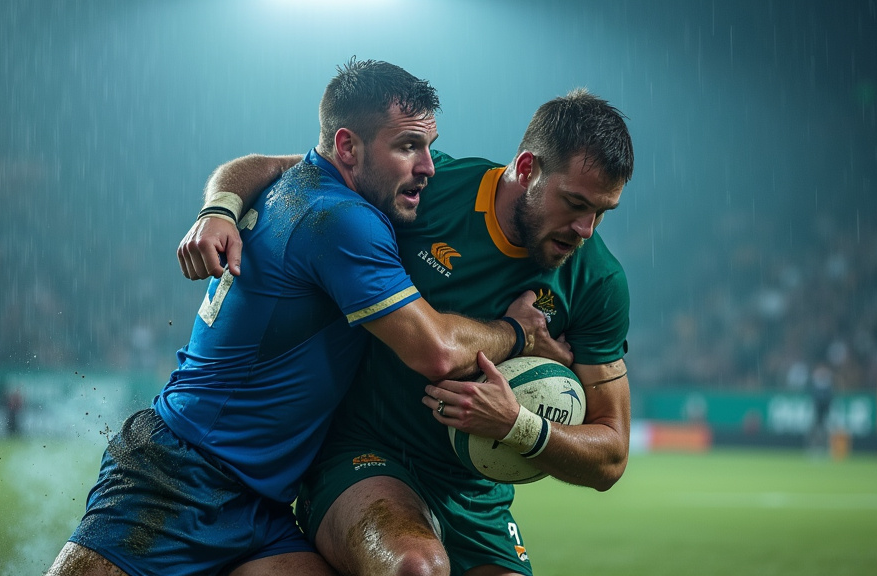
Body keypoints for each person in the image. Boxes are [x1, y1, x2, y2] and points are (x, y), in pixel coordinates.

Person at [48, 59, 567, 576]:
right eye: (408, 146)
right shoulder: (342, 220)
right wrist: (518, 331)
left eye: (428, 145)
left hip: (258, 503)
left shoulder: (304, 183)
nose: (428, 166)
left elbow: (256, 162)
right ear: (347, 147)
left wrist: (219, 207)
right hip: (181, 475)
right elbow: (436, 352)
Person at [178, 88, 634, 576]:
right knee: (416, 569)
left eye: (602, 212)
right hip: (364, 454)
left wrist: (517, 425)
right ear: (526, 169)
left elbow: (610, 456)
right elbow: (283, 171)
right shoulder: (433, 186)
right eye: (575, 203)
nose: (586, 229)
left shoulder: (597, 281)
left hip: (476, 495)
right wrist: (219, 208)